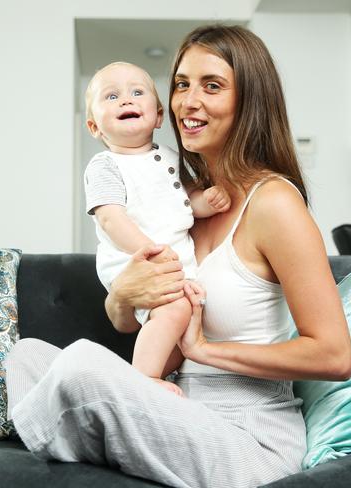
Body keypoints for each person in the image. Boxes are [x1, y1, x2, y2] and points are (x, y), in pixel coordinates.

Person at [4, 25, 351, 488]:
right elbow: (136, 319)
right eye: (182, 84)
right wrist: (121, 299)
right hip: (172, 407)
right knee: (26, 356)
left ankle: (77, 443)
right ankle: (95, 443)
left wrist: (205, 350)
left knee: (81, 365)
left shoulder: (273, 203)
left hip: (246, 434)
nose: (189, 101)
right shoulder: (181, 204)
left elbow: (333, 356)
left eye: (212, 86)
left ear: (249, 101)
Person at [83, 61, 231, 395]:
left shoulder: (170, 156)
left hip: (174, 261)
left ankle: (144, 378)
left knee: (188, 318)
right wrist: (149, 251)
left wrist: (208, 201)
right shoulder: (106, 165)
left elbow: (184, 203)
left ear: (159, 115)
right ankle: (144, 380)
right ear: (95, 127)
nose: (126, 100)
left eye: (137, 92)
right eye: (111, 96)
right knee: (175, 309)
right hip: (134, 261)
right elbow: (110, 217)